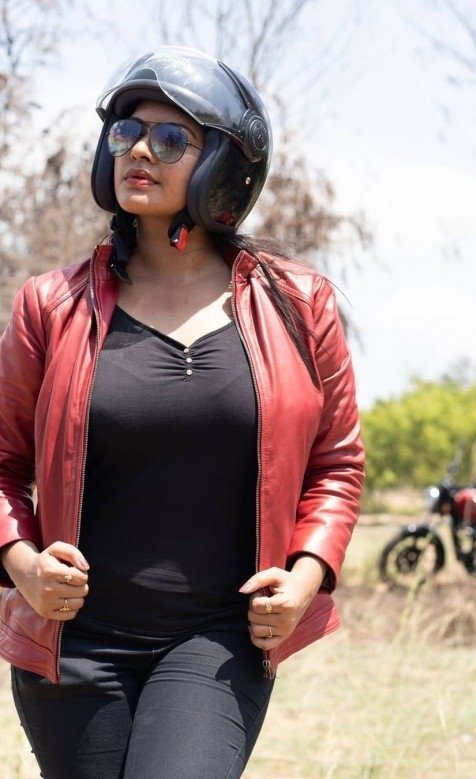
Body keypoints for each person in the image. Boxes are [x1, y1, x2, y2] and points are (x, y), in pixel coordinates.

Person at [0, 46, 364, 778]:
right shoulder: (49, 304)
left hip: (219, 638)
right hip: (74, 643)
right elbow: (3, 466)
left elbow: (335, 466)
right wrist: (23, 564)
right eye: (126, 132)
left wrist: (304, 576)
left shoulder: (300, 304)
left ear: (225, 165)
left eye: (171, 139)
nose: (139, 150)